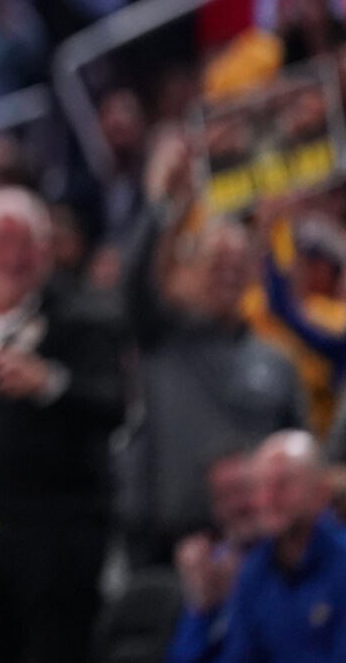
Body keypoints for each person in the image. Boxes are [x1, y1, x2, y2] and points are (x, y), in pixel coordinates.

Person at [0, 187, 126, 663]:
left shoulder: (83, 315)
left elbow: (115, 407)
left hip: (59, 539)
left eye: (25, 243)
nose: (12, 258)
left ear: (47, 249)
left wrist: (50, 383)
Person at [120, 201, 302, 565]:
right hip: (168, 545)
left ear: (253, 273)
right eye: (217, 263)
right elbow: (135, 281)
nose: (228, 274)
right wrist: (165, 206)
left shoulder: (277, 362)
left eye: (238, 264)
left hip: (259, 547)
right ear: (188, 270)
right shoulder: (161, 337)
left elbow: (299, 448)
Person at [199, 430, 346, 660]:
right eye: (260, 485)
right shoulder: (253, 571)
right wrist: (202, 608)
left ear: (321, 493)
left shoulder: (340, 563)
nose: (269, 497)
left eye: (283, 484)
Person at [167, 452, 263, 663]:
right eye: (224, 496)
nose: (237, 505)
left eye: (244, 490)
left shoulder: (286, 560)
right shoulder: (211, 564)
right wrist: (203, 607)